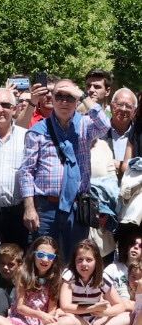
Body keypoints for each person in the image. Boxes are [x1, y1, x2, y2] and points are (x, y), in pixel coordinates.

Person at [18, 79, 110, 261]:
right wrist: (29, 207)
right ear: (52, 98)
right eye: (59, 96)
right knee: (44, 262)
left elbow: (104, 125)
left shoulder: (85, 126)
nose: (64, 101)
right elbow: (26, 171)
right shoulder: (38, 131)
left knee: (76, 261)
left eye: (70, 97)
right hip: (46, 209)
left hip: (77, 208)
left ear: (76, 100)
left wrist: (82, 95)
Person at [0, 236, 81, 325]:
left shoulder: (55, 277)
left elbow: (51, 309)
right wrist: (40, 314)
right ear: (34, 254)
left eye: (50, 256)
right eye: (41, 255)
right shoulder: (22, 273)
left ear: (54, 258)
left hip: (42, 323)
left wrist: (49, 316)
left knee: (70, 321)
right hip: (21, 319)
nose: (45, 260)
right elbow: (20, 307)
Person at [0, 86, 30, 273]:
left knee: (17, 262)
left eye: (5, 105)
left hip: (16, 210)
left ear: (15, 109)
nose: (0, 109)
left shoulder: (26, 137)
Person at [62, 238, 130, 325]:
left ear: (96, 261)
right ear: (74, 261)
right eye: (80, 260)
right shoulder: (69, 275)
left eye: (89, 260)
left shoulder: (102, 278)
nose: (84, 264)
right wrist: (92, 308)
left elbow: (120, 305)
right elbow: (65, 306)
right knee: (67, 320)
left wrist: (105, 313)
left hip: (95, 321)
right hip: (76, 319)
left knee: (127, 316)